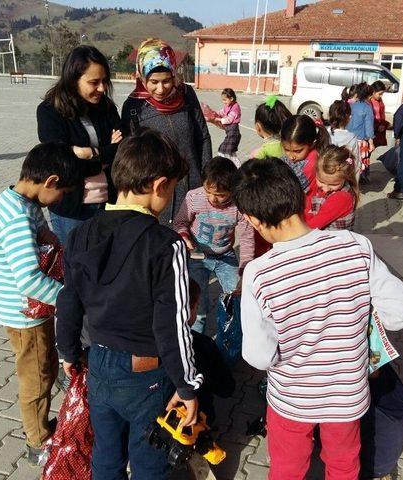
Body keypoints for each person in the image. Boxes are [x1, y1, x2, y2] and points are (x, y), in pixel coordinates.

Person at [233, 157, 403, 480]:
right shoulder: (354, 246)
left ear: (252, 219)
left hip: (291, 398)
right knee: (345, 465)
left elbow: (258, 354)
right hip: (347, 395)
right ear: (299, 196)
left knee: (288, 468)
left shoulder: (259, 274)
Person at [56, 128, 203, 480]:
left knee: (105, 454)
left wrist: (67, 352)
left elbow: (69, 298)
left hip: (99, 364)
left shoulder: (80, 234)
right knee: (148, 460)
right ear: (159, 185)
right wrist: (187, 387)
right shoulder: (165, 245)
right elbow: (174, 325)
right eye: (172, 189)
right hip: (145, 373)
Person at [0, 141, 80, 464]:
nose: (62, 200)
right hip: (25, 315)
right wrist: (68, 299)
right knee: (36, 377)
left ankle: (39, 425)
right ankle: (37, 441)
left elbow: (39, 230)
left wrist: (50, 238)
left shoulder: (21, 200)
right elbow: (28, 279)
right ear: (50, 182)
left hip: (28, 311)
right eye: (63, 193)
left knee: (45, 367)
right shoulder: (16, 216)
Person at [37, 45, 122, 245]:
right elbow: (62, 165)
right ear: (73, 79)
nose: (101, 88)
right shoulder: (50, 111)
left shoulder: (106, 107)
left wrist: (87, 153)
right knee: (74, 270)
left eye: (104, 81)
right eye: (94, 82)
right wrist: (102, 157)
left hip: (109, 205)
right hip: (72, 210)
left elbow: (122, 150)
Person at [121, 38, 212, 224]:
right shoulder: (133, 106)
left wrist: (207, 177)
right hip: (156, 195)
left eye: (167, 81)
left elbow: (202, 136)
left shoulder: (186, 94)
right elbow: (130, 157)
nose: (161, 89)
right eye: (153, 82)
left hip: (192, 187)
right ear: (141, 77)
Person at [172, 156, 254, 334]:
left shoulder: (239, 205)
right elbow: (180, 222)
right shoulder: (194, 197)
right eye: (209, 191)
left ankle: (231, 337)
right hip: (197, 256)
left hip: (225, 255)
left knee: (235, 297)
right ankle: (195, 341)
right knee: (197, 305)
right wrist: (184, 236)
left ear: (233, 190)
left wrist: (244, 269)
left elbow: (247, 238)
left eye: (221, 195)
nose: (213, 198)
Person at [187, 279, 236, 424]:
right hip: (194, 419)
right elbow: (227, 389)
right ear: (189, 310)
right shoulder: (204, 345)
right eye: (196, 307)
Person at [304, 145, 358, 231]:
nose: (325, 189)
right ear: (316, 173)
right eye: (321, 182)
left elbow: (312, 226)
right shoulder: (316, 183)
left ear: (346, 177)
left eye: (333, 184)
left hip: (334, 240)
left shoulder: (342, 198)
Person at [280, 114, 330, 191]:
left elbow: (289, 190)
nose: (291, 157)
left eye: (297, 151)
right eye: (286, 150)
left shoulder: (310, 165)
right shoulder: (301, 157)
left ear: (312, 144)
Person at [346, 83, 375, 182]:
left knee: (348, 162)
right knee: (358, 165)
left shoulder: (351, 105)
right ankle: (356, 184)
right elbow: (369, 126)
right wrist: (371, 142)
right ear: (368, 95)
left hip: (348, 139)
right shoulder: (367, 108)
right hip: (360, 141)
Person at [328, 100, 362, 179]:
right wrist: (354, 186)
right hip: (343, 180)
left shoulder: (324, 134)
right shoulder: (351, 138)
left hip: (324, 180)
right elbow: (356, 164)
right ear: (348, 117)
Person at [208, 88, 242, 162]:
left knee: (226, 152)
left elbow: (229, 120)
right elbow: (222, 112)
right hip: (230, 133)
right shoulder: (228, 105)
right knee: (225, 151)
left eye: (225, 100)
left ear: (231, 98)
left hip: (233, 134)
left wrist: (218, 119)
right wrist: (214, 113)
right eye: (222, 100)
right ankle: (234, 166)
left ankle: (235, 166)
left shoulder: (235, 107)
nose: (223, 102)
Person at [370, 81, 390, 149]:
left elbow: (382, 113)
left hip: (379, 129)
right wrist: (376, 126)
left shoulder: (379, 100)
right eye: (380, 94)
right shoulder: (368, 101)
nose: (381, 96)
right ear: (373, 92)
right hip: (371, 130)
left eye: (382, 94)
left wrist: (383, 124)